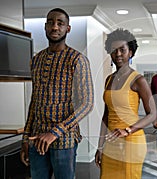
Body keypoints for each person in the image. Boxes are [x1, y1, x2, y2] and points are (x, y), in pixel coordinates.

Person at [20, 8, 94, 179]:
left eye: (60, 23)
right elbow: (34, 101)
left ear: (68, 28)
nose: (55, 27)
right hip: (37, 138)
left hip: (64, 140)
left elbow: (87, 104)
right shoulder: (36, 60)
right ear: (45, 27)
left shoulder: (77, 60)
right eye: (51, 22)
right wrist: (25, 138)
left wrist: (54, 132)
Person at [94, 28, 156, 179]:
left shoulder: (138, 80)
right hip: (111, 142)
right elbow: (106, 116)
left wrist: (128, 130)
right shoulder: (109, 79)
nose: (118, 54)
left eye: (123, 49)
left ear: (131, 52)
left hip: (132, 141)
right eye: (114, 50)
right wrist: (100, 146)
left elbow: (153, 114)